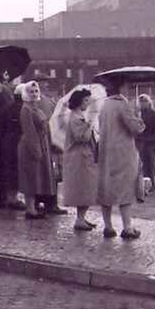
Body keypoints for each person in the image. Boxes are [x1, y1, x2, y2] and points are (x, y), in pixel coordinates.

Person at [97, 78, 145, 239]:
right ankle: (127, 228)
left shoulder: (105, 105)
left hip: (105, 151)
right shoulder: (122, 104)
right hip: (122, 153)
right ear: (121, 87)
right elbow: (136, 128)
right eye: (127, 85)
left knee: (106, 189)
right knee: (125, 189)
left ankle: (108, 227)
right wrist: (138, 116)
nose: (129, 88)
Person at [62, 87, 100, 231]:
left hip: (82, 158)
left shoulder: (78, 116)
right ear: (79, 101)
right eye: (85, 100)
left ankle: (81, 218)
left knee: (85, 189)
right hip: (79, 159)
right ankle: (79, 219)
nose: (87, 103)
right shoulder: (76, 118)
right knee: (84, 189)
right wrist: (90, 125)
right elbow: (82, 137)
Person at [17, 81, 56, 219]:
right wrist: (36, 149)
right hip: (30, 146)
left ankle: (33, 206)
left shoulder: (36, 108)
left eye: (36, 91)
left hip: (41, 143)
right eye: (31, 92)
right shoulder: (26, 109)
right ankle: (30, 208)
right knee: (31, 176)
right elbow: (29, 132)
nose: (34, 94)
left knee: (37, 177)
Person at [0, 72, 22, 210]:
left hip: (3, 134)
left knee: (4, 167)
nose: (3, 85)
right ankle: (2, 198)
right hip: (0, 134)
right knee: (3, 167)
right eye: (1, 82)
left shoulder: (4, 93)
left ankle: (3, 197)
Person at [33, 79, 68, 215]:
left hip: (48, 140)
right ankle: (49, 203)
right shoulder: (40, 102)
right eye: (43, 83)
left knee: (49, 173)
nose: (46, 85)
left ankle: (44, 201)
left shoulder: (47, 100)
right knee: (48, 173)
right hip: (46, 140)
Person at [135, 93, 155, 196]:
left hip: (150, 142)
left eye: (145, 101)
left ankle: (152, 183)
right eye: (141, 102)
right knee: (140, 163)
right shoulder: (137, 114)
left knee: (150, 162)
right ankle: (142, 184)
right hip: (139, 141)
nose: (143, 104)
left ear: (149, 102)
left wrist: (153, 139)